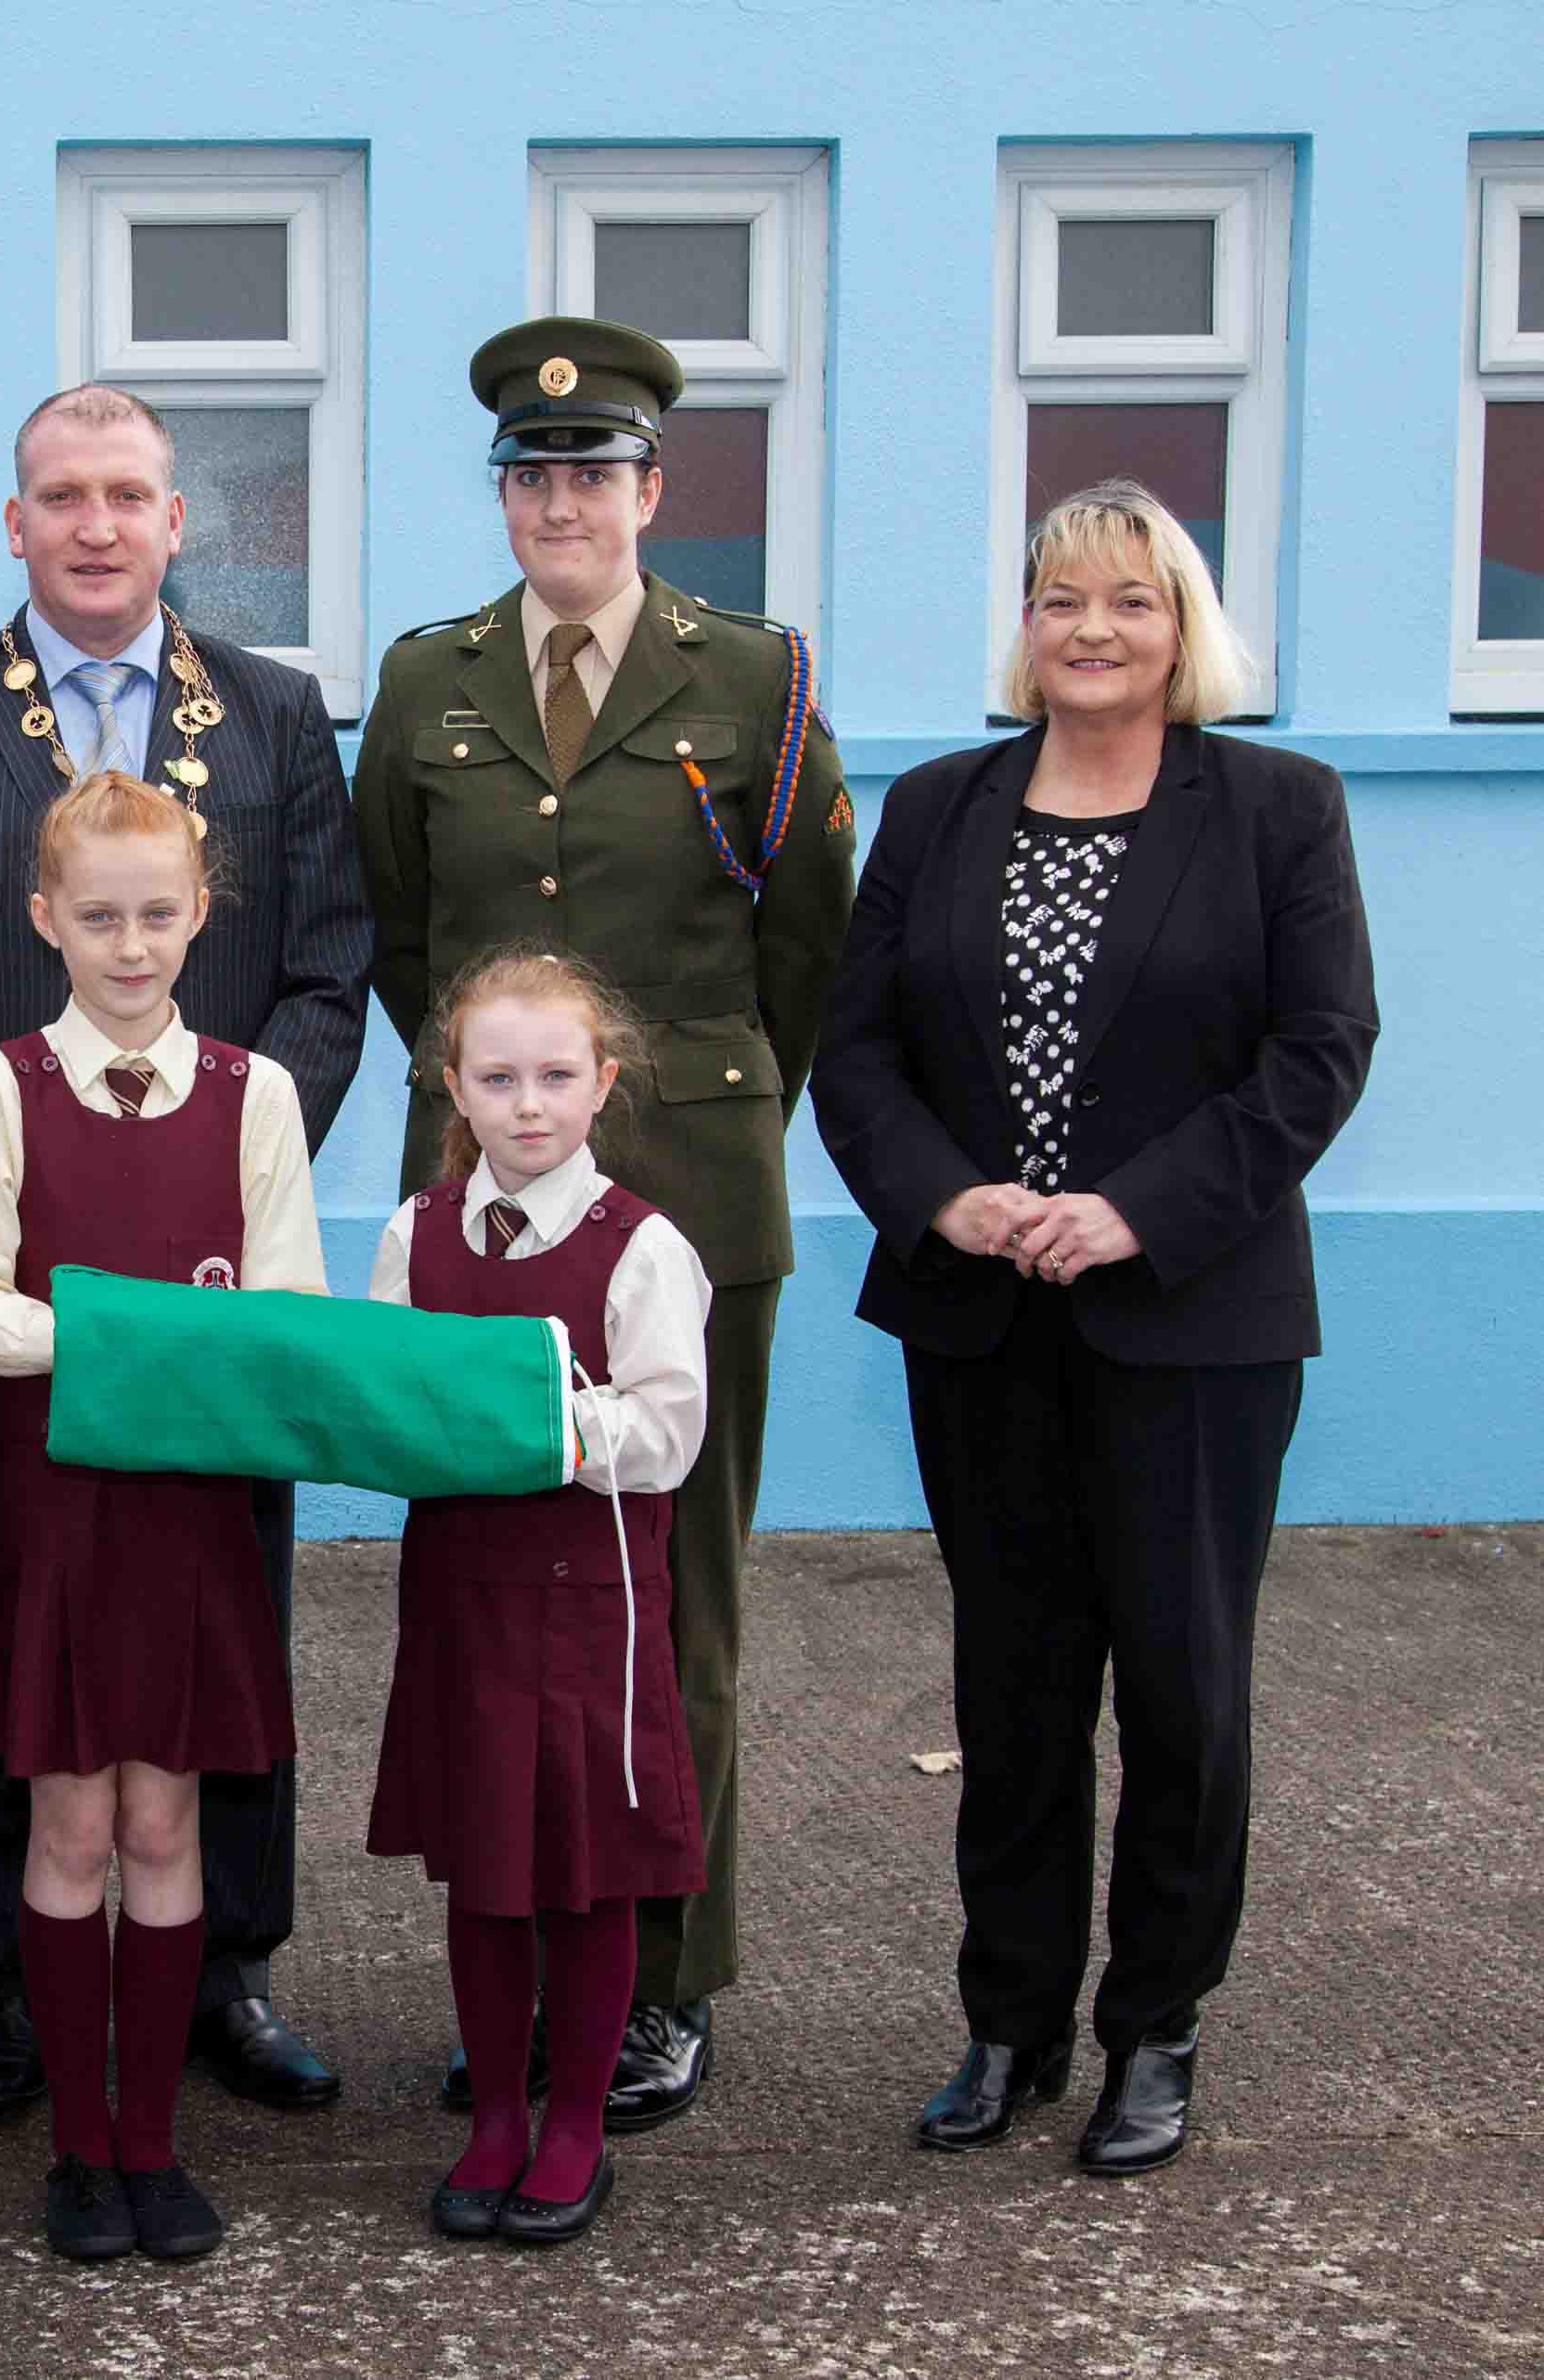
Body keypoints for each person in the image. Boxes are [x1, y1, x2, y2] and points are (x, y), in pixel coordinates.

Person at [812, 479, 1376, 2175]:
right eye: (1062, 600)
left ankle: (1158, 2026)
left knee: (1188, 1688)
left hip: (1194, 1321)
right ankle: (1012, 2021)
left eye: (1132, 600)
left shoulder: (1279, 807)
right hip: (983, 1320)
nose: (1094, 630)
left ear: (1183, 622)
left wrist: (1138, 1208)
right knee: (1016, 1682)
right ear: (1028, 627)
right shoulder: (938, 804)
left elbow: (1321, 1051)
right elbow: (856, 1053)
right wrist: (948, 1201)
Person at [350, 317, 855, 2129]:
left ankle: (659, 1975)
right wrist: (487, 1122)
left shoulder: (761, 677)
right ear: (503, 494)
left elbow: (808, 952)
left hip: (689, 1209)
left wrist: (687, 1130)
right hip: (480, 1207)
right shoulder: (429, 683)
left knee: (671, 1603)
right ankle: (514, 1960)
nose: (563, 499)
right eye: (532, 471)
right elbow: (406, 941)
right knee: (492, 1602)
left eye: (596, 469)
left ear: (655, 487)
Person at [0, 383, 370, 2117]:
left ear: (173, 521)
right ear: (16, 523)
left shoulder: (282, 715)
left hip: (217, 1290)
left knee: (229, 1624)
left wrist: (212, 1137)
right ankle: (7, 1979)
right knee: (32, 1634)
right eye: (60, 495)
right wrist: (20, 1184)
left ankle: (229, 1965)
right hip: (19, 1265)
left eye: (127, 495)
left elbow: (325, 968)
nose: (94, 524)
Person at [0, 771, 326, 2262]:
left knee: (167, 1814)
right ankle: (75, 2149)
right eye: (99, 915)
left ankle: (151, 2141)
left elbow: (283, 1315)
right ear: (46, 918)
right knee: (68, 1815)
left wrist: (110, 1332)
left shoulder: (256, 1092)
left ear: (201, 911)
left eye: (158, 912)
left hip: (192, 1510)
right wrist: (137, 1339)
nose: (132, 942)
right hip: (51, 1504)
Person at [367, 949, 710, 2248]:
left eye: (557, 1075)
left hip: (587, 1611)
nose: (528, 1103)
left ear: (602, 1081)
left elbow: (668, 1431)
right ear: (453, 1082)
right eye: (497, 1076)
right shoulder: (417, 1231)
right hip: (463, 1597)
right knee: (486, 1869)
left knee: (584, 1872)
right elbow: (392, 1404)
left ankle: (574, 2119)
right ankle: (496, 2113)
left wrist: (531, 1423)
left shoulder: (642, 1246)